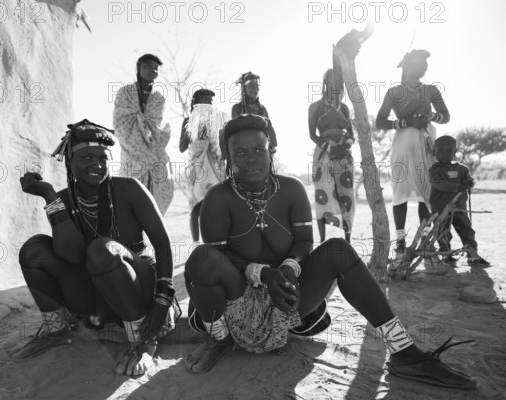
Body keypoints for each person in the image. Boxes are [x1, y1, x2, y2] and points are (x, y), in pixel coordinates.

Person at [182, 114, 477, 390]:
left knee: (337, 249)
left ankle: (404, 351)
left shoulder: (291, 190)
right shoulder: (218, 198)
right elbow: (217, 260)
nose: (250, 160)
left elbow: (303, 243)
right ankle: (218, 339)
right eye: (240, 154)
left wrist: (286, 270)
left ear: (271, 150)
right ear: (228, 158)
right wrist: (262, 273)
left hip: (289, 299)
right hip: (237, 303)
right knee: (200, 258)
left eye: (258, 150)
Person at [13, 119, 179, 377]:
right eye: (87, 157)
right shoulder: (64, 199)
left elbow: (162, 243)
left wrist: (163, 298)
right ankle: (56, 330)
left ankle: (142, 339)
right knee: (34, 249)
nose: (97, 164)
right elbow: (71, 254)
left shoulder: (129, 189)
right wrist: (49, 195)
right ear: (70, 162)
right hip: (96, 296)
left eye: (103, 158)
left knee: (102, 250)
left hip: (138, 287)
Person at [376, 50, 451, 259]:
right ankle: (400, 241)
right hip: (403, 145)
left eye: (425, 63)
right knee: (400, 193)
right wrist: (407, 122)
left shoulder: (431, 90)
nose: (424, 67)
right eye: (419, 63)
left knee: (425, 193)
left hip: (427, 143)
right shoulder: (394, 92)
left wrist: (432, 115)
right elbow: (380, 122)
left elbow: (446, 116)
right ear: (406, 66)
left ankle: (425, 239)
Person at [113, 53, 174, 216]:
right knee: (131, 200)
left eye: (155, 68)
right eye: (147, 66)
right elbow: (120, 122)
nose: (152, 71)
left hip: (155, 153)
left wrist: (152, 144)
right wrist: (139, 144)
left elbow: (161, 126)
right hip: (132, 153)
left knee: (159, 190)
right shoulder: (125, 93)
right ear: (138, 68)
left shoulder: (159, 98)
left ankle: (153, 233)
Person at [308, 68, 355, 243]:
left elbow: (351, 135)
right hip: (323, 154)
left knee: (346, 194)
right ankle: (321, 240)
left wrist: (345, 147)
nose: (334, 82)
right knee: (323, 193)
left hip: (344, 154)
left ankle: (348, 238)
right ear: (325, 82)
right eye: (330, 79)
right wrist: (330, 148)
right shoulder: (315, 107)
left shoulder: (343, 107)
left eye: (338, 79)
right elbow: (313, 135)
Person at [429, 136, 490, 266]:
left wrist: (469, 182)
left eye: (448, 151)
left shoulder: (462, 168)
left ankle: (472, 255)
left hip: (460, 208)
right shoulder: (434, 169)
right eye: (440, 151)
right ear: (434, 151)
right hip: (441, 209)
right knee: (443, 232)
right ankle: (446, 254)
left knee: (466, 231)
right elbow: (438, 184)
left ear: (454, 151)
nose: (444, 154)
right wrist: (457, 187)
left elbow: (469, 179)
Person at [179, 88, 227, 242]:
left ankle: (218, 241)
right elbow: (181, 147)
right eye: (204, 101)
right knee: (195, 208)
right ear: (195, 103)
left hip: (214, 166)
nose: (208, 104)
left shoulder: (217, 122)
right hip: (196, 167)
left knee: (217, 204)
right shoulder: (188, 121)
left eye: (210, 102)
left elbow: (222, 145)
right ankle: (195, 243)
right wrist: (192, 125)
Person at [231, 72, 278, 153]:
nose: (255, 89)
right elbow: (235, 132)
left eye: (256, 86)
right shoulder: (237, 108)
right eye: (251, 86)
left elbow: (269, 129)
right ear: (244, 89)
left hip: (262, 149)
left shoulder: (262, 109)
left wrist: (272, 146)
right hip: (243, 150)